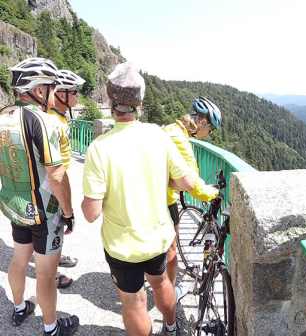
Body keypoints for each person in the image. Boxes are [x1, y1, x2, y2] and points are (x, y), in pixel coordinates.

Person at [81, 62, 196, 336]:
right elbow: (187, 182)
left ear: (111, 102)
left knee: (133, 301)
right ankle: (171, 327)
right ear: (140, 103)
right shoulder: (158, 135)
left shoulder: (99, 147)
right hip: (157, 238)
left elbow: (91, 213)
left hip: (122, 246)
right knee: (161, 283)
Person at [2, 57, 79, 335]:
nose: (53, 91)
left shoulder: (3, 115)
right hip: (44, 211)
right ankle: (51, 327)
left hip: (14, 204)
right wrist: (68, 213)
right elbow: (57, 176)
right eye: (50, 86)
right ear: (37, 90)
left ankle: (20, 307)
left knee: (19, 260)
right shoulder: (43, 121)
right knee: (46, 274)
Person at [163, 96, 222, 289]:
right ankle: (170, 293)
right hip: (162, 201)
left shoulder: (171, 129)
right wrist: (213, 194)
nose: (209, 133)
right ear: (202, 122)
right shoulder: (180, 140)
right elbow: (192, 183)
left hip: (149, 196)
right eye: (210, 129)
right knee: (171, 250)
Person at [47, 69, 86, 289]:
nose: (77, 96)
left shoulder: (60, 116)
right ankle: (51, 272)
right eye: (74, 92)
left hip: (57, 178)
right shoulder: (53, 120)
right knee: (53, 225)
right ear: (61, 93)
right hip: (52, 182)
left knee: (57, 226)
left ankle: (54, 257)